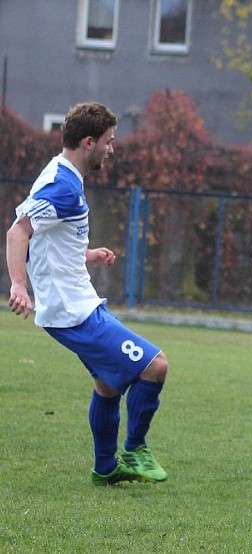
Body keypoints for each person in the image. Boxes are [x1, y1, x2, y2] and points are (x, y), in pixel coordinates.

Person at [6, 102, 169, 486]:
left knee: (108, 384)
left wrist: (86, 254)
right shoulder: (63, 186)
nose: (112, 149)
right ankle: (133, 448)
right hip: (73, 311)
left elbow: (49, 237)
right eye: (109, 142)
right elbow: (19, 231)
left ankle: (105, 467)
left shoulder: (60, 175)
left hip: (74, 304)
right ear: (89, 141)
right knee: (156, 366)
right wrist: (17, 284)